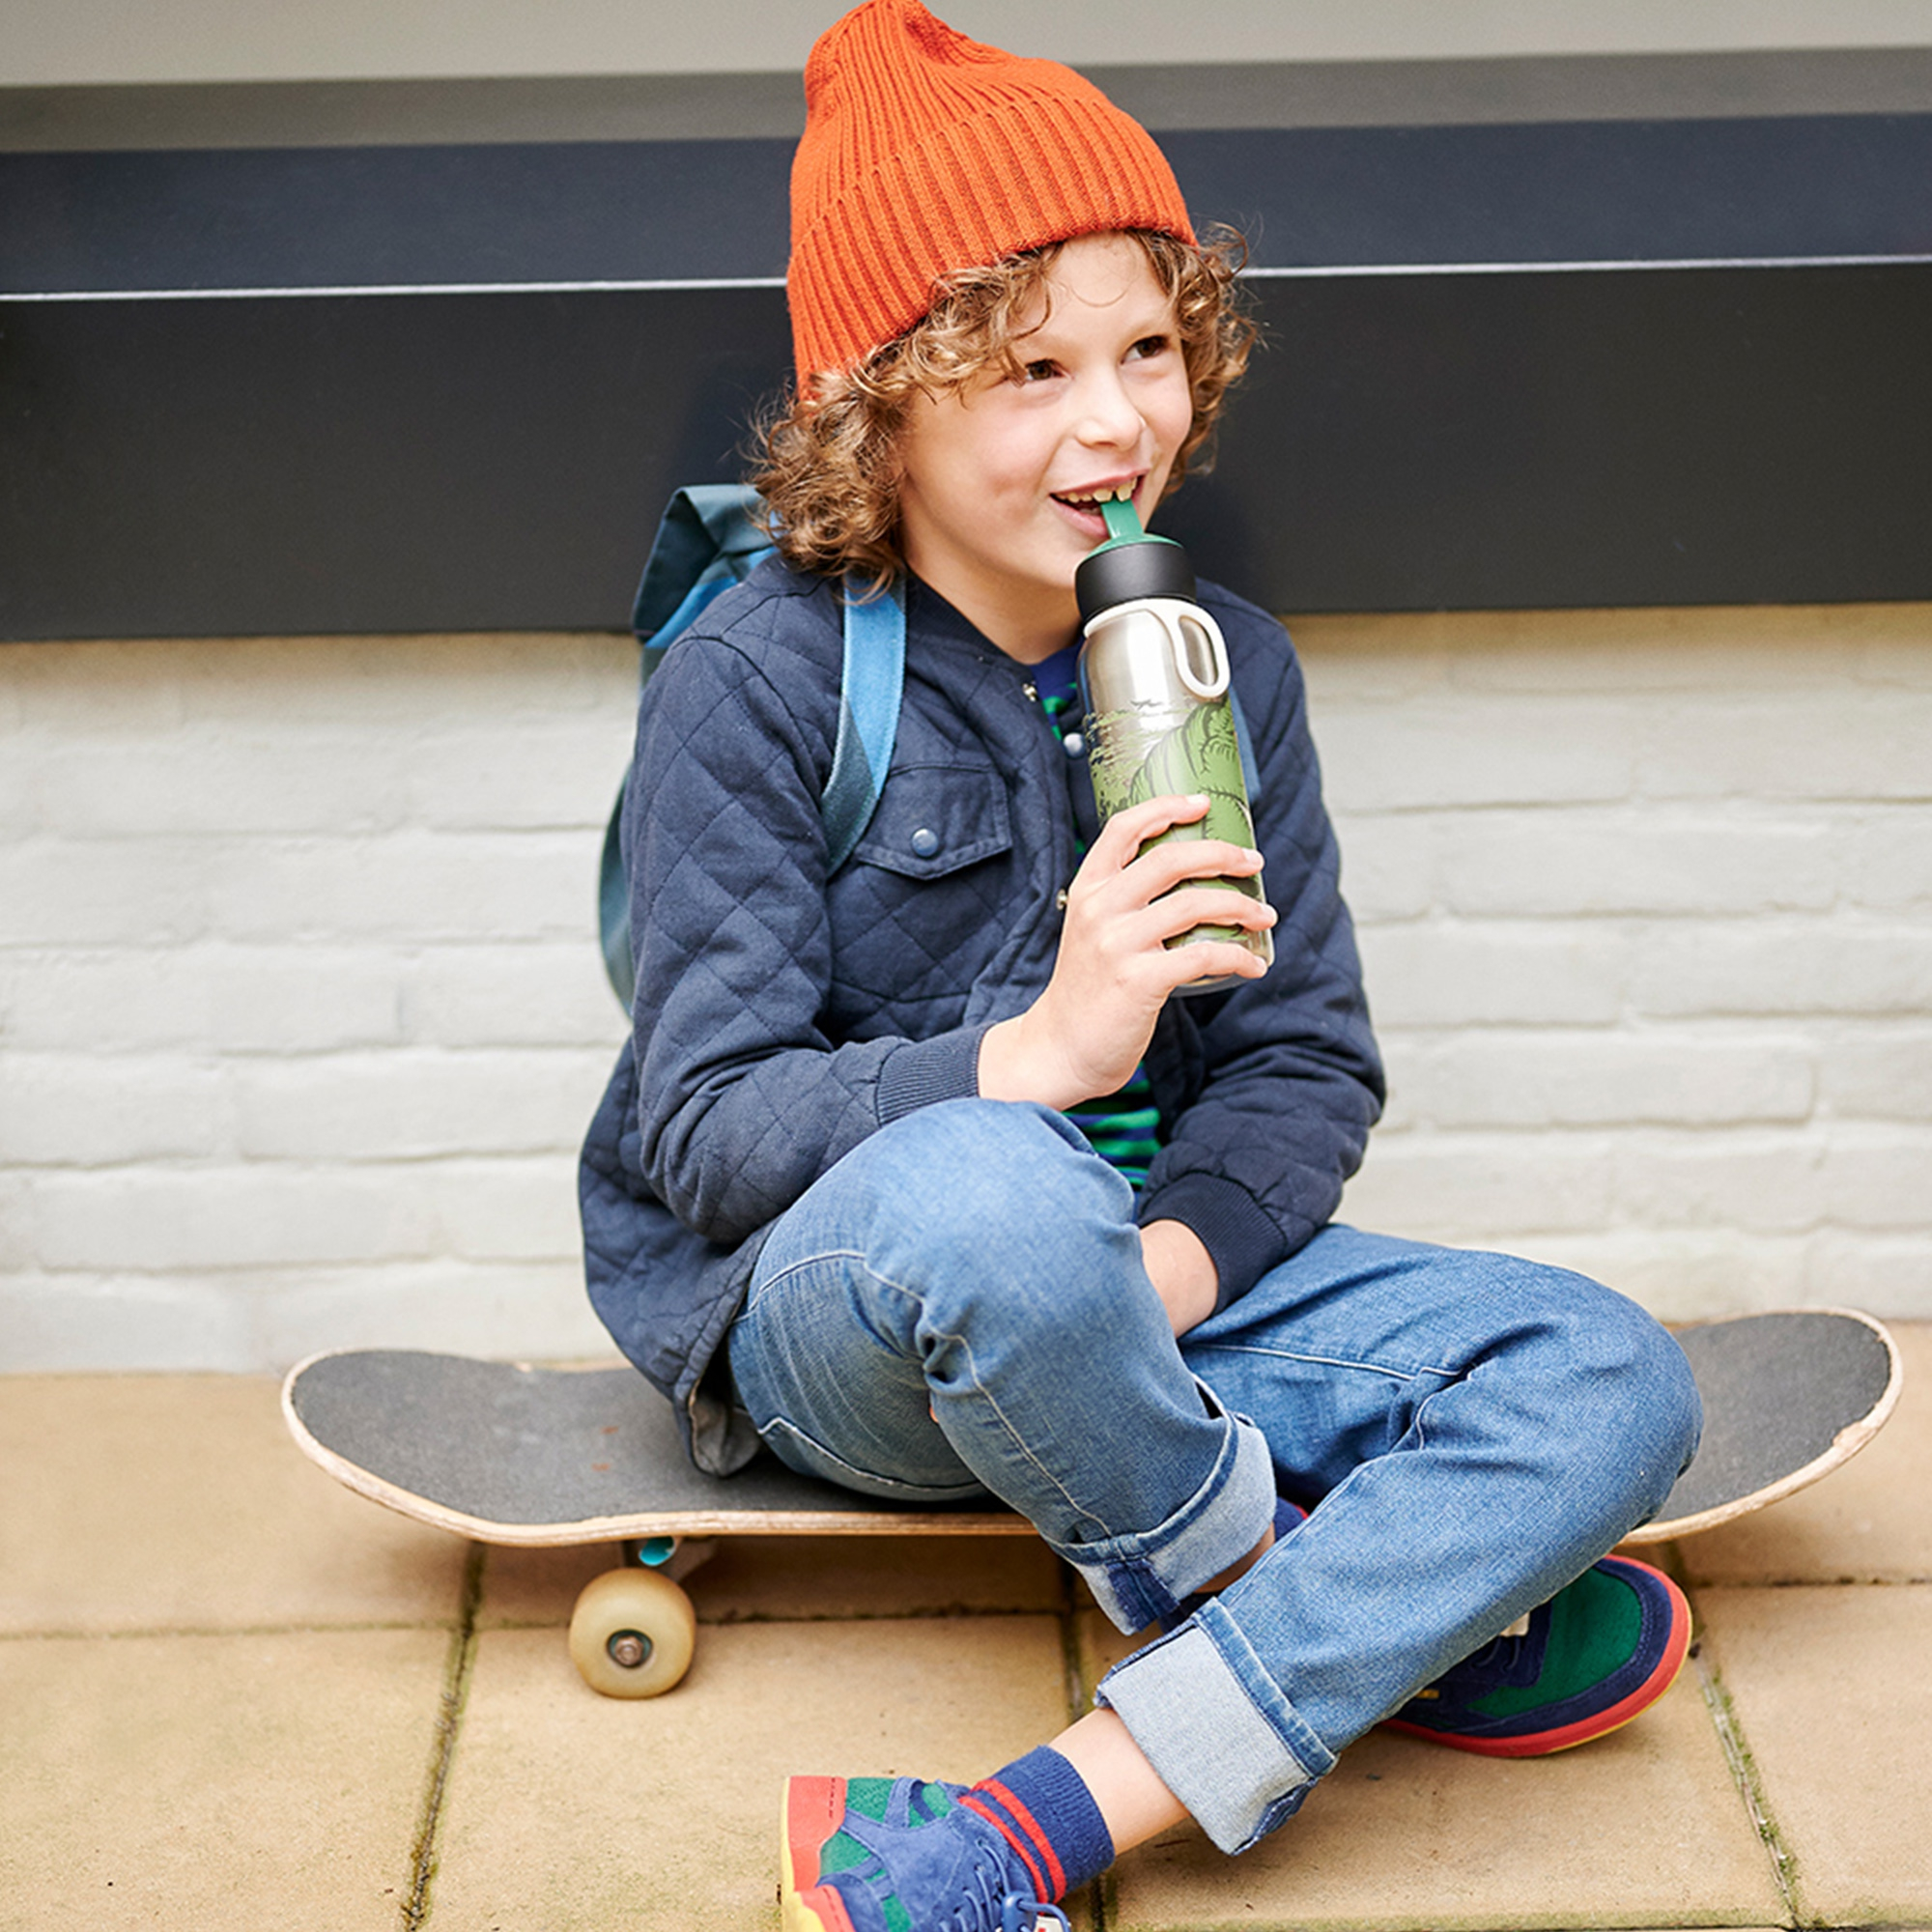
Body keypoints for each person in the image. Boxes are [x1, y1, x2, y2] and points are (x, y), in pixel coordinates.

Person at [579, 5, 1703, 1928]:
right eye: (1032, 367)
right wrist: (1036, 1047)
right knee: (996, 1189)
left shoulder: (1222, 665)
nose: (1117, 422)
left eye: (1147, 349)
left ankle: (1029, 1828)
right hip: (855, 1327)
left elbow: (1303, 1066)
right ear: (884, 404)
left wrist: (1165, 1266)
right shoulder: (755, 683)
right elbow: (700, 1126)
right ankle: (1308, 1598)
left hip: (1137, 1308)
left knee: (1611, 1384)